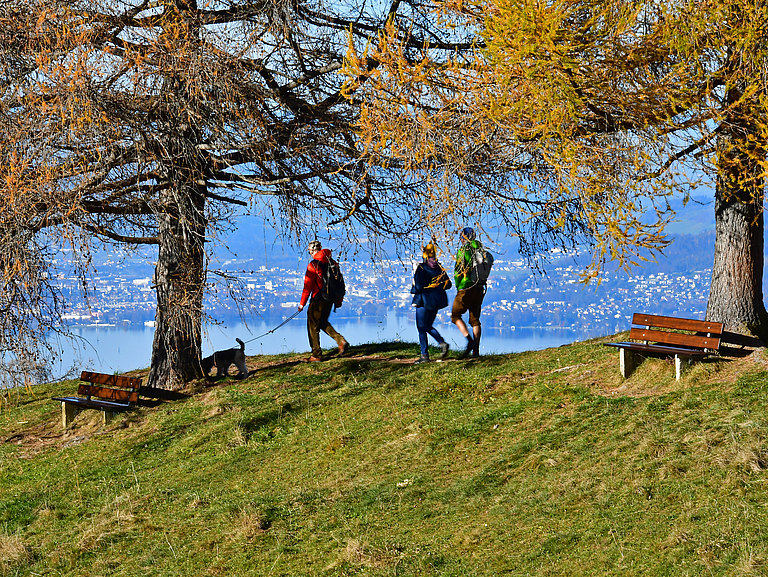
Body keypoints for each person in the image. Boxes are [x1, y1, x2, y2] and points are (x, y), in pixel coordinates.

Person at [298, 240, 348, 361]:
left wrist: (302, 304)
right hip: (330, 299)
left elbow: (307, 287)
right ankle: (340, 341)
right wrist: (339, 300)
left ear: (312, 251)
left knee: (312, 324)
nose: (309, 253)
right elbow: (339, 282)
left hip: (318, 299)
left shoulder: (313, 265)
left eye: (309, 251)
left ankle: (316, 354)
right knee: (322, 322)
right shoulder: (333, 263)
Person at [410, 243, 451, 364]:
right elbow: (448, 285)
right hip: (436, 302)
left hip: (423, 302)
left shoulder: (422, 268)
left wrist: (416, 289)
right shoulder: (439, 268)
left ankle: (424, 355)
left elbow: (417, 287)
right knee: (428, 326)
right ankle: (442, 343)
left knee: (421, 328)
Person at [451, 227, 487, 358]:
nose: (460, 239)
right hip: (479, 288)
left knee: (455, 316)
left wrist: (458, 285)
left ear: (465, 237)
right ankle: (475, 351)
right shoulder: (480, 249)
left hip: (466, 287)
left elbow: (458, 270)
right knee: (475, 320)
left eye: (461, 237)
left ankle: (470, 341)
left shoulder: (464, 250)